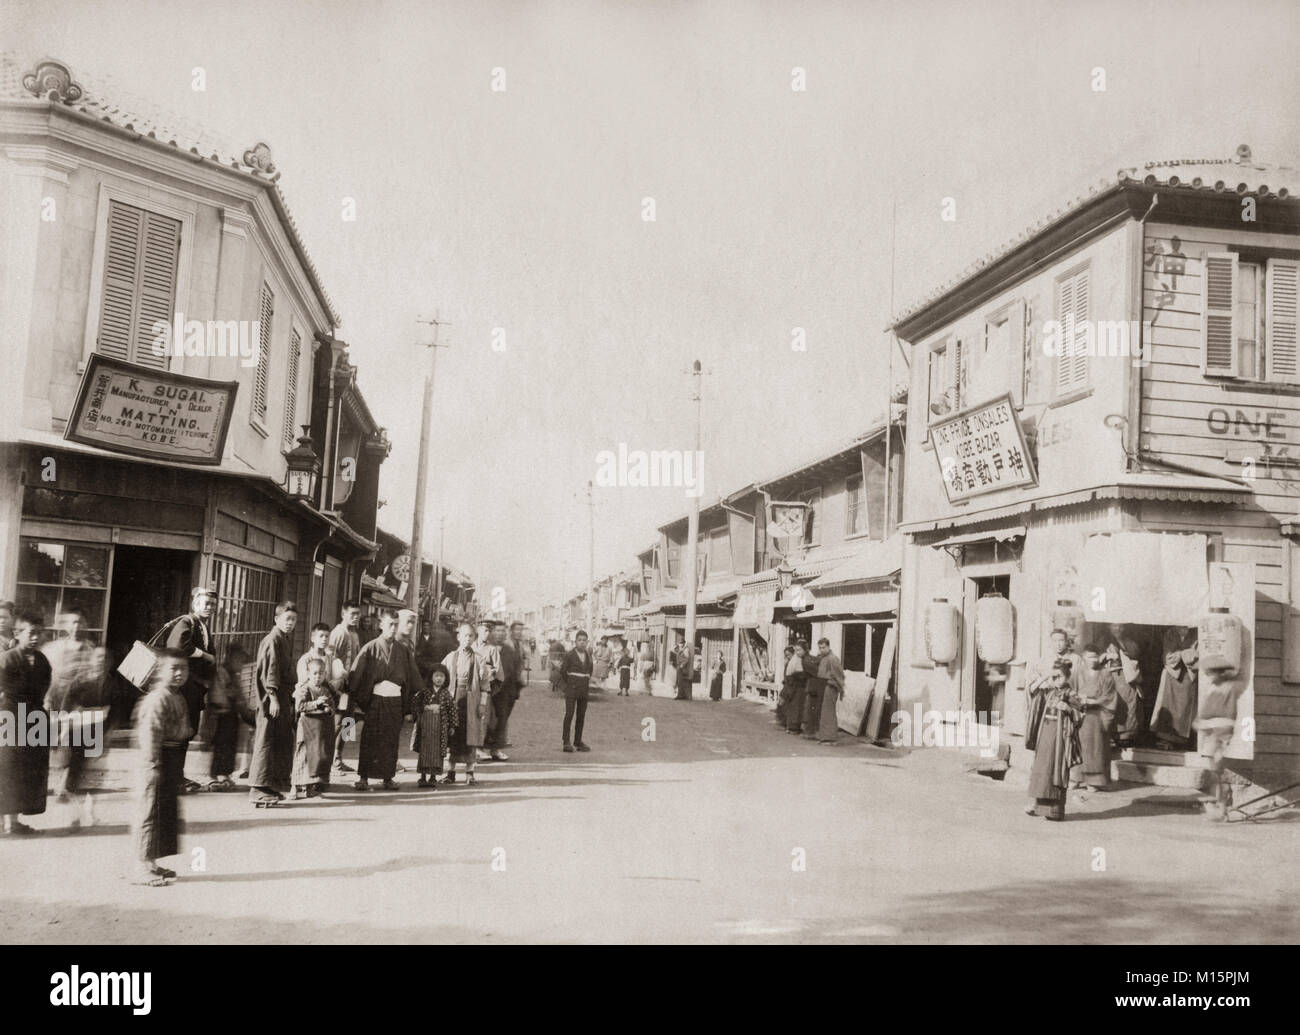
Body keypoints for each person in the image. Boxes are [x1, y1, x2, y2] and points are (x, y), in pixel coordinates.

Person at [130, 648, 192, 885]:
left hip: (171, 758)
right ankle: (139, 867)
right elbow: (150, 734)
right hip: (155, 759)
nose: (179, 673)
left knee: (163, 814)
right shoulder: (158, 698)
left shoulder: (177, 696)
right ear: (159, 671)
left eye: (183, 668)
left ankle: (151, 863)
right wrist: (153, 765)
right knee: (149, 813)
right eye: (173, 668)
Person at [350, 609, 421, 791]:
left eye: (396, 625)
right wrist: (358, 701)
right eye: (390, 624)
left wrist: (409, 708)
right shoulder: (371, 647)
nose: (393, 628)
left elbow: (412, 679)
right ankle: (363, 777)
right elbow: (356, 675)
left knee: (390, 740)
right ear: (381, 625)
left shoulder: (403, 651)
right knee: (369, 739)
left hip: (395, 701)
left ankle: (388, 777)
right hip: (375, 699)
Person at [41, 608, 103, 815]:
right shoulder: (54, 648)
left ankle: (65, 785)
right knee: (52, 743)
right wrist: (47, 699)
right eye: (72, 622)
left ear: (85, 626)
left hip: (78, 704)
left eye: (80, 622)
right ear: (65, 626)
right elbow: (47, 675)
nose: (76, 627)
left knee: (75, 745)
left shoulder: (90, 649)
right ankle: (52, 781)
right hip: (56, 700)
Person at [0, 609, 51, 837]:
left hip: (33, 718)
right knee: (6, 768)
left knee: (25, 770)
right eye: (31, 633)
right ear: (18, 633)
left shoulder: (42, 660)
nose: (35, 638)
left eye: (39, 633)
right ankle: (4, 821)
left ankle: (14, 819)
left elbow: (44, 688)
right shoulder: (7, 658)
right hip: (8, 717)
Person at [249, 602, 298, 807]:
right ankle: (257, 788)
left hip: (282, 697)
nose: (291, 623)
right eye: (287, 619)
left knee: (278, 741)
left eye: (294, 620)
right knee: (266, 741)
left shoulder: (283, 639)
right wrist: (274, 697)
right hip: (271, 699)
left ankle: (269, 785)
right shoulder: (272, 640)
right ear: (276, 619)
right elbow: (270, 671)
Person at [1025, 658, 1083, 821]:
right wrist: (1046, 677)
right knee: (1041, 769)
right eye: (1055, 676)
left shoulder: (1071, 694)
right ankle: (1038, 806)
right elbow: (1031, 691)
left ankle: (1055, 811)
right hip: (1045, 734)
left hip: (1060, 737)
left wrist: (1068, 709)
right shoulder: (1049, 692)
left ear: (1067, 677)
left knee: (1055, 769)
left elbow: (1081, 714)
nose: (1057, 679)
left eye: (1060, 676)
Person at [443, 622, 490, 784]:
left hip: (472, 700)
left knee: (471, 736)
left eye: (471, 636)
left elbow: (485, 684)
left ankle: (470, 772)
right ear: (458, 637)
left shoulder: (479, 659)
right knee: (453, 735)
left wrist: (482, 704)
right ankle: (451, 771)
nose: (468, 639)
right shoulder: (450, 657)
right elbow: (440, 676)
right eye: (465, 635)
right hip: (454, 698)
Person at [1068, 643, 1119, 789]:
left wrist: (1094, 701)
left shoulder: (1105, 673)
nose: (1093, 660)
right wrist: (1077, 699)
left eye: (1095, 656)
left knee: (1095, 747)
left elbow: (1110, 696)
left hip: (1097, 715)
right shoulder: (1077, 672)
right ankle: (1076, 779)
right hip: (1079, 713)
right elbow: (1069, 690)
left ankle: (1094, 781)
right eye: (1089, 656)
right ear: (1083, 657)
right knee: (1077, 746)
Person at [206, 643, 251, 790]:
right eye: (239, 660)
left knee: (231, 744)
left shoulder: (234, 675)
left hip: (231, 714)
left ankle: (225, 773)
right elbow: (220, 694)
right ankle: (220, 775)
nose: (241, 664)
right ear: (230, 657)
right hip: (222, 714)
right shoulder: (222, 672)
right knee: (222, 744)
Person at [292, 657, 336, 799]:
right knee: (302, 756)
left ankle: (309, 787)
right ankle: (295, 787)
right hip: (305, 729)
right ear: (308, 673)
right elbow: (299, 707)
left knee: (315, 757)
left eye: (321, 673)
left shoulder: (325, 690)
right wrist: (316, 703)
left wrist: (328, 708)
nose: (318, 677)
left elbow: (332, 707)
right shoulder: (304, 689)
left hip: (318, 730)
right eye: (315, 673)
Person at [328, 601, 363, 776]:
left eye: (358, 614)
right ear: (343, 614)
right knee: (338, 722)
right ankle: (329, 760)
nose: (355, 617)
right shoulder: (338, 633)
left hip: (352, 686)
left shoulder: (354, 634)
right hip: (340, 687)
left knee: (349, 722)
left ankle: (339, 758)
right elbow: (331, 659)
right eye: (352, 613)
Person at [410, 662, 455, 788]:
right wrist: (418, 712)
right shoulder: (424, 692)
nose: (439, 678)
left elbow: (452, 709)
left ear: (446, 678)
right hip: (425, 725)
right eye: (436, 676)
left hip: (440, 726)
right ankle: (423, 777)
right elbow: (415, 702)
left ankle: (433, 777)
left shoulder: (446, 693)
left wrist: (451, 726)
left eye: (442, 676)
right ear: (431, 677)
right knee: (424, 750)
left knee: (437, 752)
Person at [1150, 637, 1197, 750]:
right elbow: (1168, 657)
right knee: (1168, 705)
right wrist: (1184, 653)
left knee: (1185, 706)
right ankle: (1166, 739)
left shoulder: (1194, 634)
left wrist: (1181, 654)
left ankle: (1183, 740)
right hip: (1172, 674)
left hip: (1188, 674)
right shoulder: (1170, 633)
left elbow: (1196, 654)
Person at [486, 622, 524, 760]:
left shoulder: (509, 650)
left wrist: (516, 690)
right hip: (490, 690)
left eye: (503, 631)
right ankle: (482, 748)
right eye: (497, 630)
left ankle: (496, 749)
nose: (500, 633)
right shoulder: (486, 648)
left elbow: (514, 670)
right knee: (488, 720)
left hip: (506, 692)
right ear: (492, 632)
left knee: (502, 720)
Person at [473, 621, 503, 762]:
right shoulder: (470, 646)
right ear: (477, 630)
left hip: (485, 689)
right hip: (471, 688)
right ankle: (471, 747)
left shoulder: (492, 650)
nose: (486, 633)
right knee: (470, 717)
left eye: (488, 631)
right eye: (484, 630)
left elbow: (499, 673)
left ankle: (479, 748)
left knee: (483, 718)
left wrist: (489, 675)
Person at [561, 631, 594, 752]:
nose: (582, 642)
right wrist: (571, 683)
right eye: (579, 640)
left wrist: (584, 680)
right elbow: (563, 671)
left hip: (583, 690)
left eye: (584, 640)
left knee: (581, 716)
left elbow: (590, 670)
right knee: (569, 715)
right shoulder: (569, 655)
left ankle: (578, 741)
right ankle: (566, 742)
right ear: (575, 642)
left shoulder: (589, 655)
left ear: (587, 642)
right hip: (572, 689)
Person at [815, 638, 845, 742]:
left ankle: (830, 738)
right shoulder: (823, 658)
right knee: (825, 712)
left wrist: (841, 689)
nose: (821, 650)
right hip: (824, 686)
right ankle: (825, 736)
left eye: (824, 647)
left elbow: (839, 675)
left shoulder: (832, 659)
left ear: (828, 647)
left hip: (831, 686)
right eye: (820, 648)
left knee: (829, 712)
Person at [784, 641, 811, 734]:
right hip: (796, 684)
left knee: (797, 706)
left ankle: (793, 726)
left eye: (799, 650)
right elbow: (798, 673)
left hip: (796, 684)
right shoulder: (797, 659)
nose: (797, 652)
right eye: (796, 650)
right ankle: (793, 727)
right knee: (795, 706)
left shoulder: (799, 659)